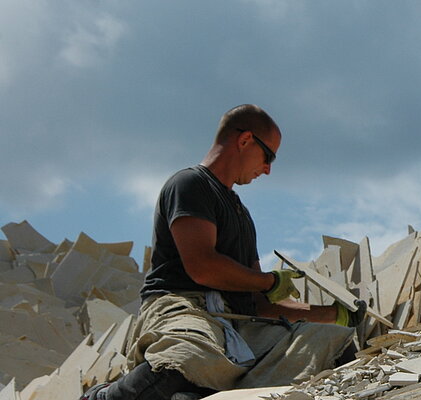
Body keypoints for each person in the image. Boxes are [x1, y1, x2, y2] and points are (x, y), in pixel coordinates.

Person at [82, 104, 365, 400]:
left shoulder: (241, 214)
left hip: (236, 324)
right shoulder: (190, 184)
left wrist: (335, 314)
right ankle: (104, 396)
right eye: (268, 156)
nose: (268, 169)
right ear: (244, 140)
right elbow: (202, 267)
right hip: (184, 309)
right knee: (187, 357)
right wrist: (270, 282)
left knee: (331, 342)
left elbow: (259, 304)